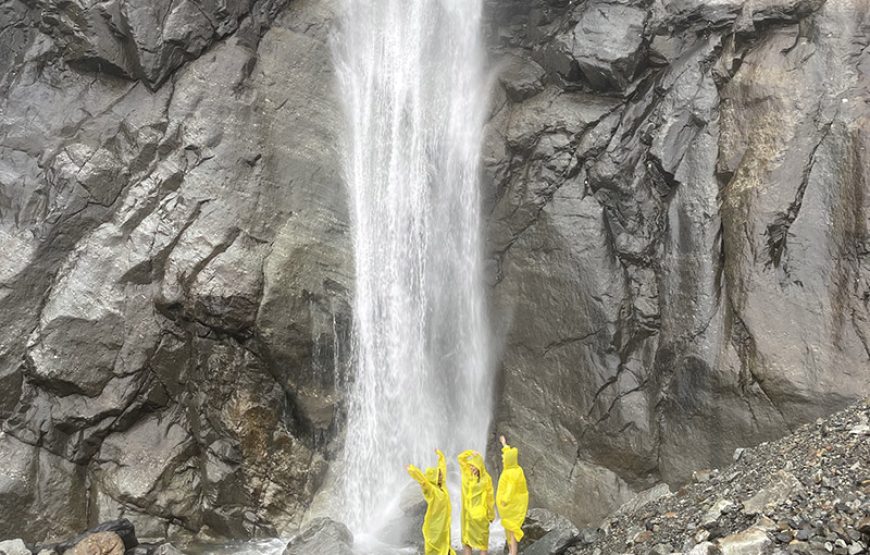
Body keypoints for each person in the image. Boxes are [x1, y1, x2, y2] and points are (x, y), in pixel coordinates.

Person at [407, 449, 456, 555]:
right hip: (434, 526)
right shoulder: (431, 490)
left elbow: (443, 468)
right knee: (435, 550)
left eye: (440, 475)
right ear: (434, 477)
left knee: (445, 548)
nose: (441, 476)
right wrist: (412, 470)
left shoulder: (442, 486)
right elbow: (423, 481)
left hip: (443, 526)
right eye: (439, 475)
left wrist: (441, 456)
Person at [457, 450, 495, 555]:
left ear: (480, 466)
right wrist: (490, 515)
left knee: (477, 544)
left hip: (474, 517)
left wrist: (490, 515)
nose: (472, 468)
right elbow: (490, 498)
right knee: (472, 543)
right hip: (472, 516)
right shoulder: (484, 478)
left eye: (474, 466)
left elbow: (489, 498)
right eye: (471, 465)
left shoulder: (468, 476)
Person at [496, 435, 528, 555]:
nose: (502, 459)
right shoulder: (515, 468)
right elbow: (509, 453)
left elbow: (510, 488)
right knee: (510, 529)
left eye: (504, 458)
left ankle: (512, 552)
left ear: (508, 460)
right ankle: (510, 550)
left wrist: (504, 500)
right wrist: (504, 444)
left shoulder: (511, 473)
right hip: (513, 506)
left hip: (513, 506)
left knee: (513, 530)